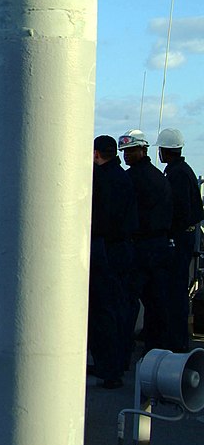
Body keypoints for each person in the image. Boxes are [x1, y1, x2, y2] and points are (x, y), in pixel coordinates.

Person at [118, 129, 173, 354]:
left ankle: (124, 348)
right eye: (124, 152)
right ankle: (156, 347)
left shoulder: (131, 179)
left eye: (131, 151)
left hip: (139, 247)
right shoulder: (159, 176)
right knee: (156, 301)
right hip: (159, 247)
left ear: (143, 150)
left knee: (128, 300)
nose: (126, 156)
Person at [89, 135, 138, 388]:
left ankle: (109, 369)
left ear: (96, 154)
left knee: (102, 311)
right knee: (117, 309)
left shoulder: (102, 180)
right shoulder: (123, 177)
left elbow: (99, 218)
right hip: (122, 250)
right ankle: (114, 365)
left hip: (105, 250)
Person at [156, 128, 204, 352]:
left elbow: (180, 210)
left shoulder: (176, 174)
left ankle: (176, 341)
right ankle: (175, 339)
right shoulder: (183, 171)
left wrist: (170, 234)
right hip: (184, 238)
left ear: (166, 151)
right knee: (175, 290)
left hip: (178, 240)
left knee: (174, 292)